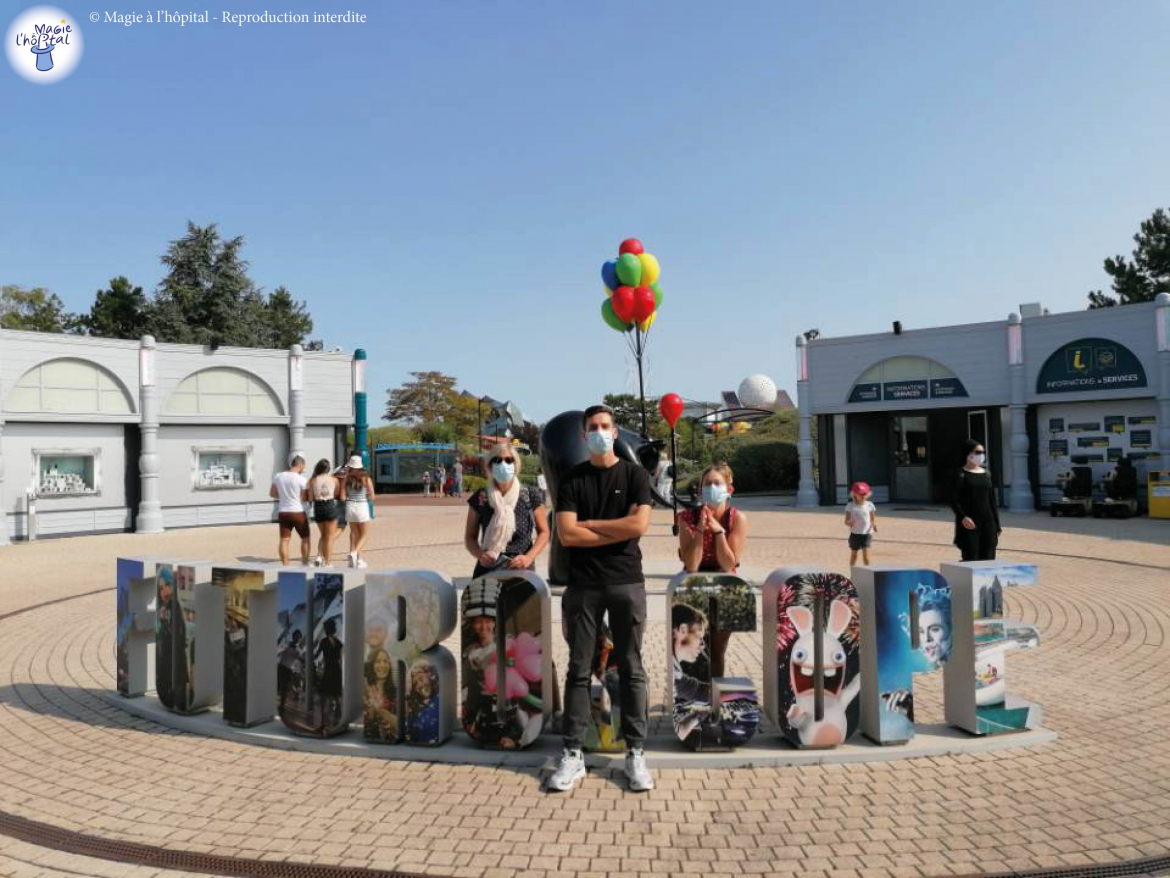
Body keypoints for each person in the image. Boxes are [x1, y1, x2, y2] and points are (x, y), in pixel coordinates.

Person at [548, 404, 654, 793]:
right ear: (582, 435)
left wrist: (590, 524)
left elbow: (639, 525)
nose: (599, 432)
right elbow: (567, 535)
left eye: (605, 426)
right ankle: (572, 753)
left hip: (626, 582)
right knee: (579, 668)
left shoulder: (635, 475)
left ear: (615, 431)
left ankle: (636, 752)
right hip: (583, 585)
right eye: (592, 427)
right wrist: (616, 529)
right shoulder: (572, 480)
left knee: (631, 667)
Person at [676, 463, 750, 677]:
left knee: (717, 649)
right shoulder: (685, 518)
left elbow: (729, 564)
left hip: (725, 582)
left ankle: (715, 697)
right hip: (694, 581)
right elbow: (691, 564)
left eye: (717, 483)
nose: (711, 487)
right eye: (707, 484)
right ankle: (695, 695)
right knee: (695, 646)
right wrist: (700, 528)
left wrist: (718, 532)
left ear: (729, 489)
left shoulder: (736, 518)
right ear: (699, 490)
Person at [463, 442, 549, 578]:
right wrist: (480, 555)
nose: (503, 464)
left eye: (509, 460)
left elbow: (544, 532)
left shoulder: (530, 495)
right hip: (488, 568)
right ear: (490, 466)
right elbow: (470, 537)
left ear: (516, 465)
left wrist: (529, 557)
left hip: (521, 568)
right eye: (497, 460)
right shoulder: (481, 496)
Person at [951, 439, 1001, 561]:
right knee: (971, 557)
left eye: (983, 452)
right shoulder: (960, 474)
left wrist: (997, 525)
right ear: (968, 453)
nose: (981, 455)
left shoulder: (986, 474)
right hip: (969, 522)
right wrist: (963, 517)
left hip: (988, 522)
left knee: (989, 557)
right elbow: (953, 499)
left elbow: (992, 500)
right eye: (978, 452)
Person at [270, 456, 310, 566]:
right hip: (298, 511)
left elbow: (272, 493)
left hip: (283, 511)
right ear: (300, 465)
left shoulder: (278, 476)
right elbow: (305, 497)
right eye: (303, 467)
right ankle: (305, 563)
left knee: (284, 539)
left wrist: (283, 497)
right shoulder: (301, 479)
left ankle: (285, 564)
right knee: (305, 538)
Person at [339, 455, 374, 568]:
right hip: (362, 506)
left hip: (350, 506)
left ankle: (359, 560)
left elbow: (342, 496)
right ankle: (354, 553)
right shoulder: (366, 478)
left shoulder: (346, 478)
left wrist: (347, 497)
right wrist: (367, 497)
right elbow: (372, 496)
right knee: (365, 534)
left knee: (354, 533)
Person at [307, 459, 341, 567]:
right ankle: (328, 563)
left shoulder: (312, 480)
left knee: (323, 535)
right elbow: (336, 493)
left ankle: (319, 556)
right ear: (328, 468)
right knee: (329, 537)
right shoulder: (334, 479)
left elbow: (310, 498)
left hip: (318, 508)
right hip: (330, 505)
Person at [315, 617, 344, 728]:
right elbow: (340, 659)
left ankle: (323, 723)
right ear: (334, 629)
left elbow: (317, 655)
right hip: (337, 670)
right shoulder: (339, 643)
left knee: (323, 695)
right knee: (336, 694)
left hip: (328, 670)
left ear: (326, 629)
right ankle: (338, 718)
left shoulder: (323, 642)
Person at [844, 481, 878, 566]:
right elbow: (846, 521)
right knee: (854, 556)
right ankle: (853, 574)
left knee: (866, 556)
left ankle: (869, 574)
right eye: (860, 494)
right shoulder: (850, 506)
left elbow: (873, 518)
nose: (863, 496)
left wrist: (874, 525)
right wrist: (849, 523)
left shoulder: (870, 505)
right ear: (854, 494)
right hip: (855, 534)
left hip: (867, 534)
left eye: (864, 494)